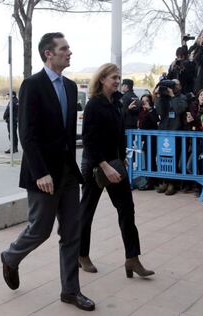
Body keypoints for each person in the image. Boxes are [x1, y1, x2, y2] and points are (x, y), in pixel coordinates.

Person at [0, 33, 95, 311]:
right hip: (43, 175)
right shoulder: (32, 85)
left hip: (67, 174)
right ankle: (10, 256)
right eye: (64, 49)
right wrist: (41, 172)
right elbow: (26, 133)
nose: (69, 52)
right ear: (48, 54)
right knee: (39, 230)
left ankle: (70, 291)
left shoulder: (69, 86)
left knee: (71, 233)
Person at [78, 63, 154, 279]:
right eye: (113, 77)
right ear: (102, 79)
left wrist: (122, 159)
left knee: (127, 209)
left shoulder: (117, 103)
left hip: (115, 163)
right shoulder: (93, 105)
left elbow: (120, 134)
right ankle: (81, 255)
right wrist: (104, 165)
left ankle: (132, 259)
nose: (117, 80)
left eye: (119, 77)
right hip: (94, 164)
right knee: (87, 211)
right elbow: (89, 141)